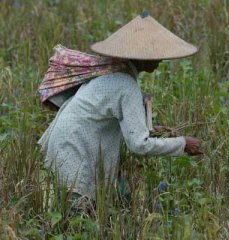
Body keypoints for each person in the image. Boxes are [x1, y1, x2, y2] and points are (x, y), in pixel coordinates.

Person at [37, 12, 202, 203]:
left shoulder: (110, 73)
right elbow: (139, 145)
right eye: (155, 54)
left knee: (97, 208)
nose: (160, 60)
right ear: (140, 57)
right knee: (78, 218)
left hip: (67, 142)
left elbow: (120, 124)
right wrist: (182, 144)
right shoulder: (126, 85)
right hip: (74, 148)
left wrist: (153, 130)